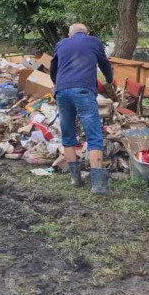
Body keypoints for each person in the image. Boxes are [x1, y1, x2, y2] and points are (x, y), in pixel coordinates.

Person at [50, 23, 115, 194]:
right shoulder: (93, 42)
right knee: (94, 136)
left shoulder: (61, 44)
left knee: (68, 134)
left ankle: (75, 180)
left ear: (70, 34)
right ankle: (98, 185)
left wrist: (59, 84)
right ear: (86, 33)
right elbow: (104, 64)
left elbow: (53, 70)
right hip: (83, 91)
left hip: (62, 92)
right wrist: (109, 79)